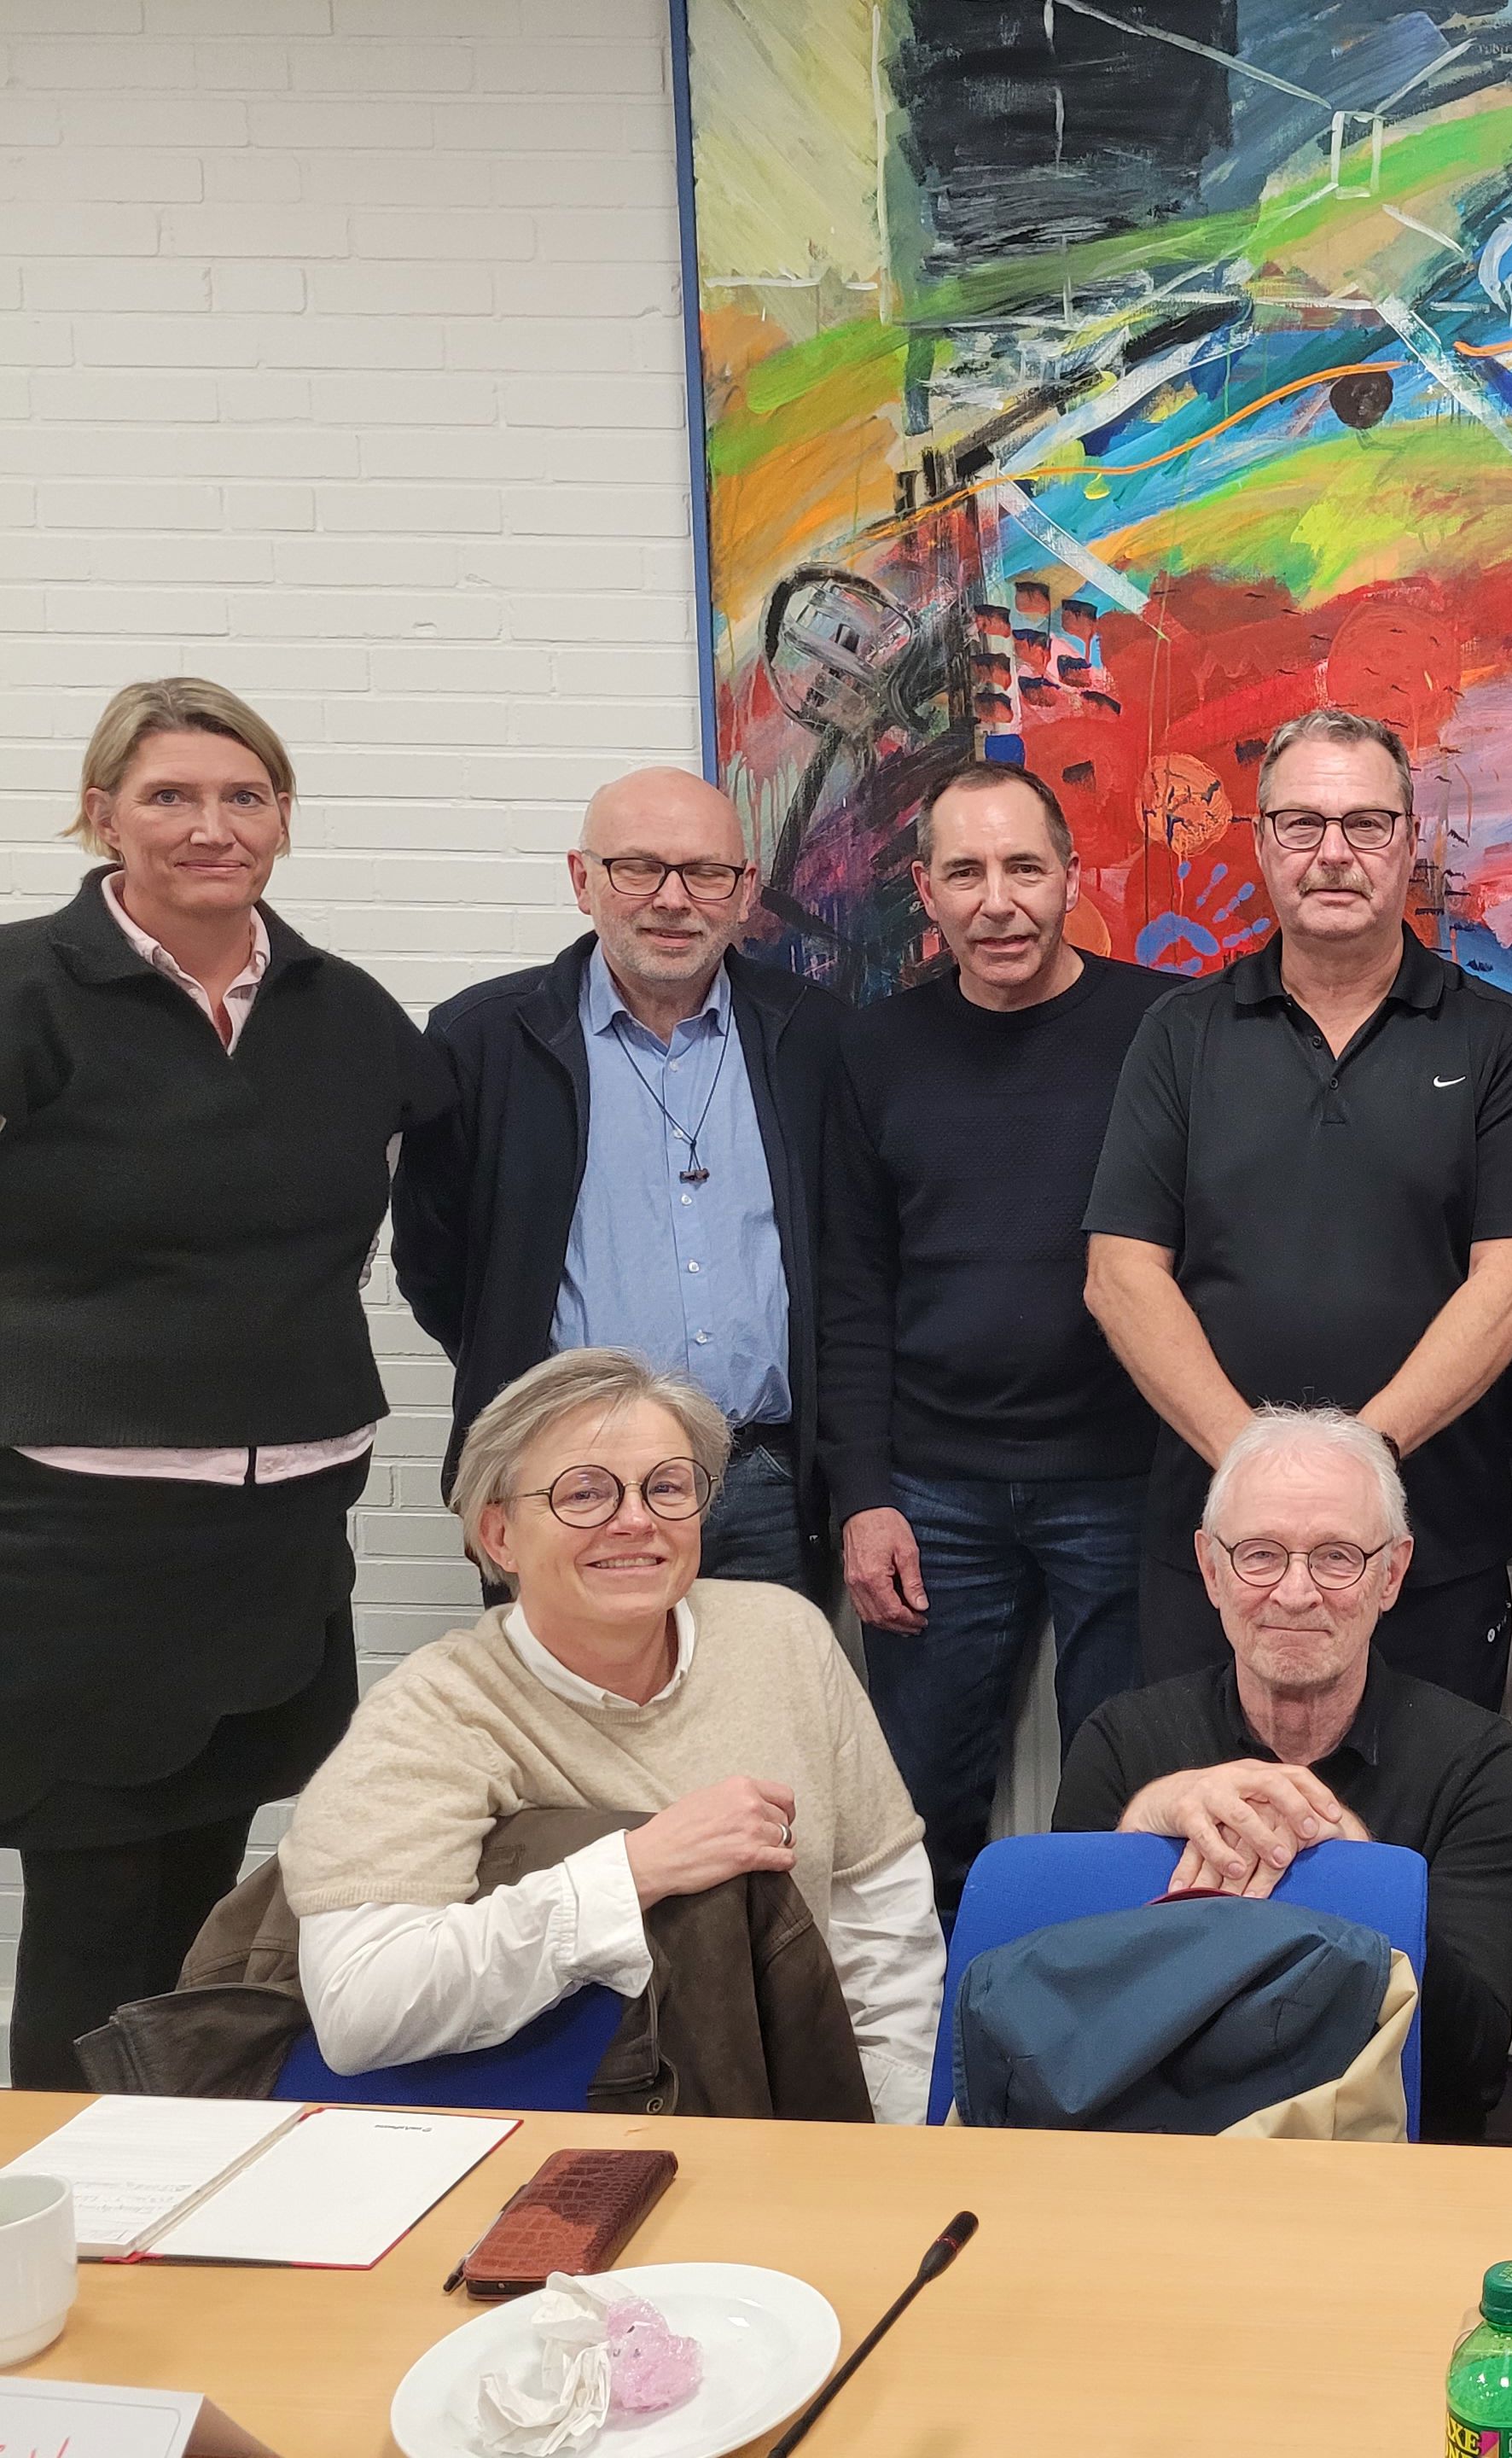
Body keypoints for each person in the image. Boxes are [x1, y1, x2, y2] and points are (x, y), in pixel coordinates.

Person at [0, 679, 445, 2093]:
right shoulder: (22, 991)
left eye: (243, 796)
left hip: (281, 1536)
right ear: (101, 815)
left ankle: (181, 2173)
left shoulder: (348, 1013)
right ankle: (60, 2185)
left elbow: (409, 1217)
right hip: (79, 1547)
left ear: (284, 819)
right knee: (94, 1911)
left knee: (211, 1903)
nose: (211, 826)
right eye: (170, 797)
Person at [276, 1350, 942, 2123]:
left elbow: (879, 1915)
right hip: (540, 2140)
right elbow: (358, 2007)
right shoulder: (436, 1710)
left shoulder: (782, 1634)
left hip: (778, 2116)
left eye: (668, 1487)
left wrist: (886, 2136)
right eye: (584, 1493)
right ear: (499, 1534)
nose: (635, 1520)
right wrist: (634, 1870)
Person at [1084, 708, 1512, 1710]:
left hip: (1426, 1550)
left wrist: (1356, 1474)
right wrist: (1261, 1481)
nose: (1334, 854)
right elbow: (1121, 1277)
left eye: (1366, 824)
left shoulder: (1498, 1039)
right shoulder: (1179, 1035)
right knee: (1211, 1812)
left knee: (1424, 1810)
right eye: (1302, 824)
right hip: (1220, 1550)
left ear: (1410, 842)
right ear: (1263, 844)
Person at [824, 760, 1183, 1916]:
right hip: (933, 1494)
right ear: (924, 890)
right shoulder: (873, 1052)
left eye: (1024, 868)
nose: (998, 902)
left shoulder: (1167, 1028)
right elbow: (849, 1289)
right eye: (966, 873)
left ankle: (1099, 2016)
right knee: (915, 1816)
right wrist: (863, 1495)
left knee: (1131, 1810)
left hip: (1128, 1480)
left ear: (1073, 877)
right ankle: (930, 2026)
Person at [395, 767, 847, 1599]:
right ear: (583, 880)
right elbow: (437, 1266)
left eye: (705, 872)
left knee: (767, 1685)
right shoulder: (482, 1042)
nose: (673, 900)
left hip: (771, 1486)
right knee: (574, 1691)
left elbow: (851, 1262)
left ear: (745, 891)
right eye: (638, 868)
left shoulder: (813, 1036)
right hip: (566, 1477)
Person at [1052, 1409, 1512, 2144]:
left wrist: (1360, 1878)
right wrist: (1140, 1829)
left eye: (1337, 1557)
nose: (1296, 1593)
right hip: (1164, 2149)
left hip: (1383, 2160)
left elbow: (1471, 2072)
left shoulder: (1475, 1759)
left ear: (1391, 1574)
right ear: (1211, 1570)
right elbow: (1062, 2031)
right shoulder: (1123, 1744)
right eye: (1260, 1556)